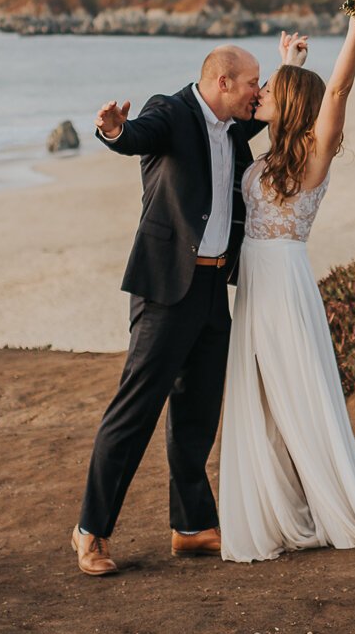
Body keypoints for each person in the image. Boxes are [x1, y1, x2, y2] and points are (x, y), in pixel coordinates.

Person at [71, 33, 307, 576]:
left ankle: (192, 526)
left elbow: (278, 108)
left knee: (198, 413)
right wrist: (112, 130)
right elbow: (136, 136)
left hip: (211, 290)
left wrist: (287, 64)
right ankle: (91, 530)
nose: (258, 92)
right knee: (135, 412)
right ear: (222, 83)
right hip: (164, 289)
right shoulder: (170, 112)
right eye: (251, 84)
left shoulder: (234, 122)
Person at [220, 0, 355, 562]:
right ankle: (278, 510)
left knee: (297, 393)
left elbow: (339, 90)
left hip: (284, 283)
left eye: (269, 91)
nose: (260, 96)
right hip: (253, 284)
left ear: (293, 105)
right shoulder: (272, 153)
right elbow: (292, 98)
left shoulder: (312, 154)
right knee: (262, 400)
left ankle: (330, 504)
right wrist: (289, 68)